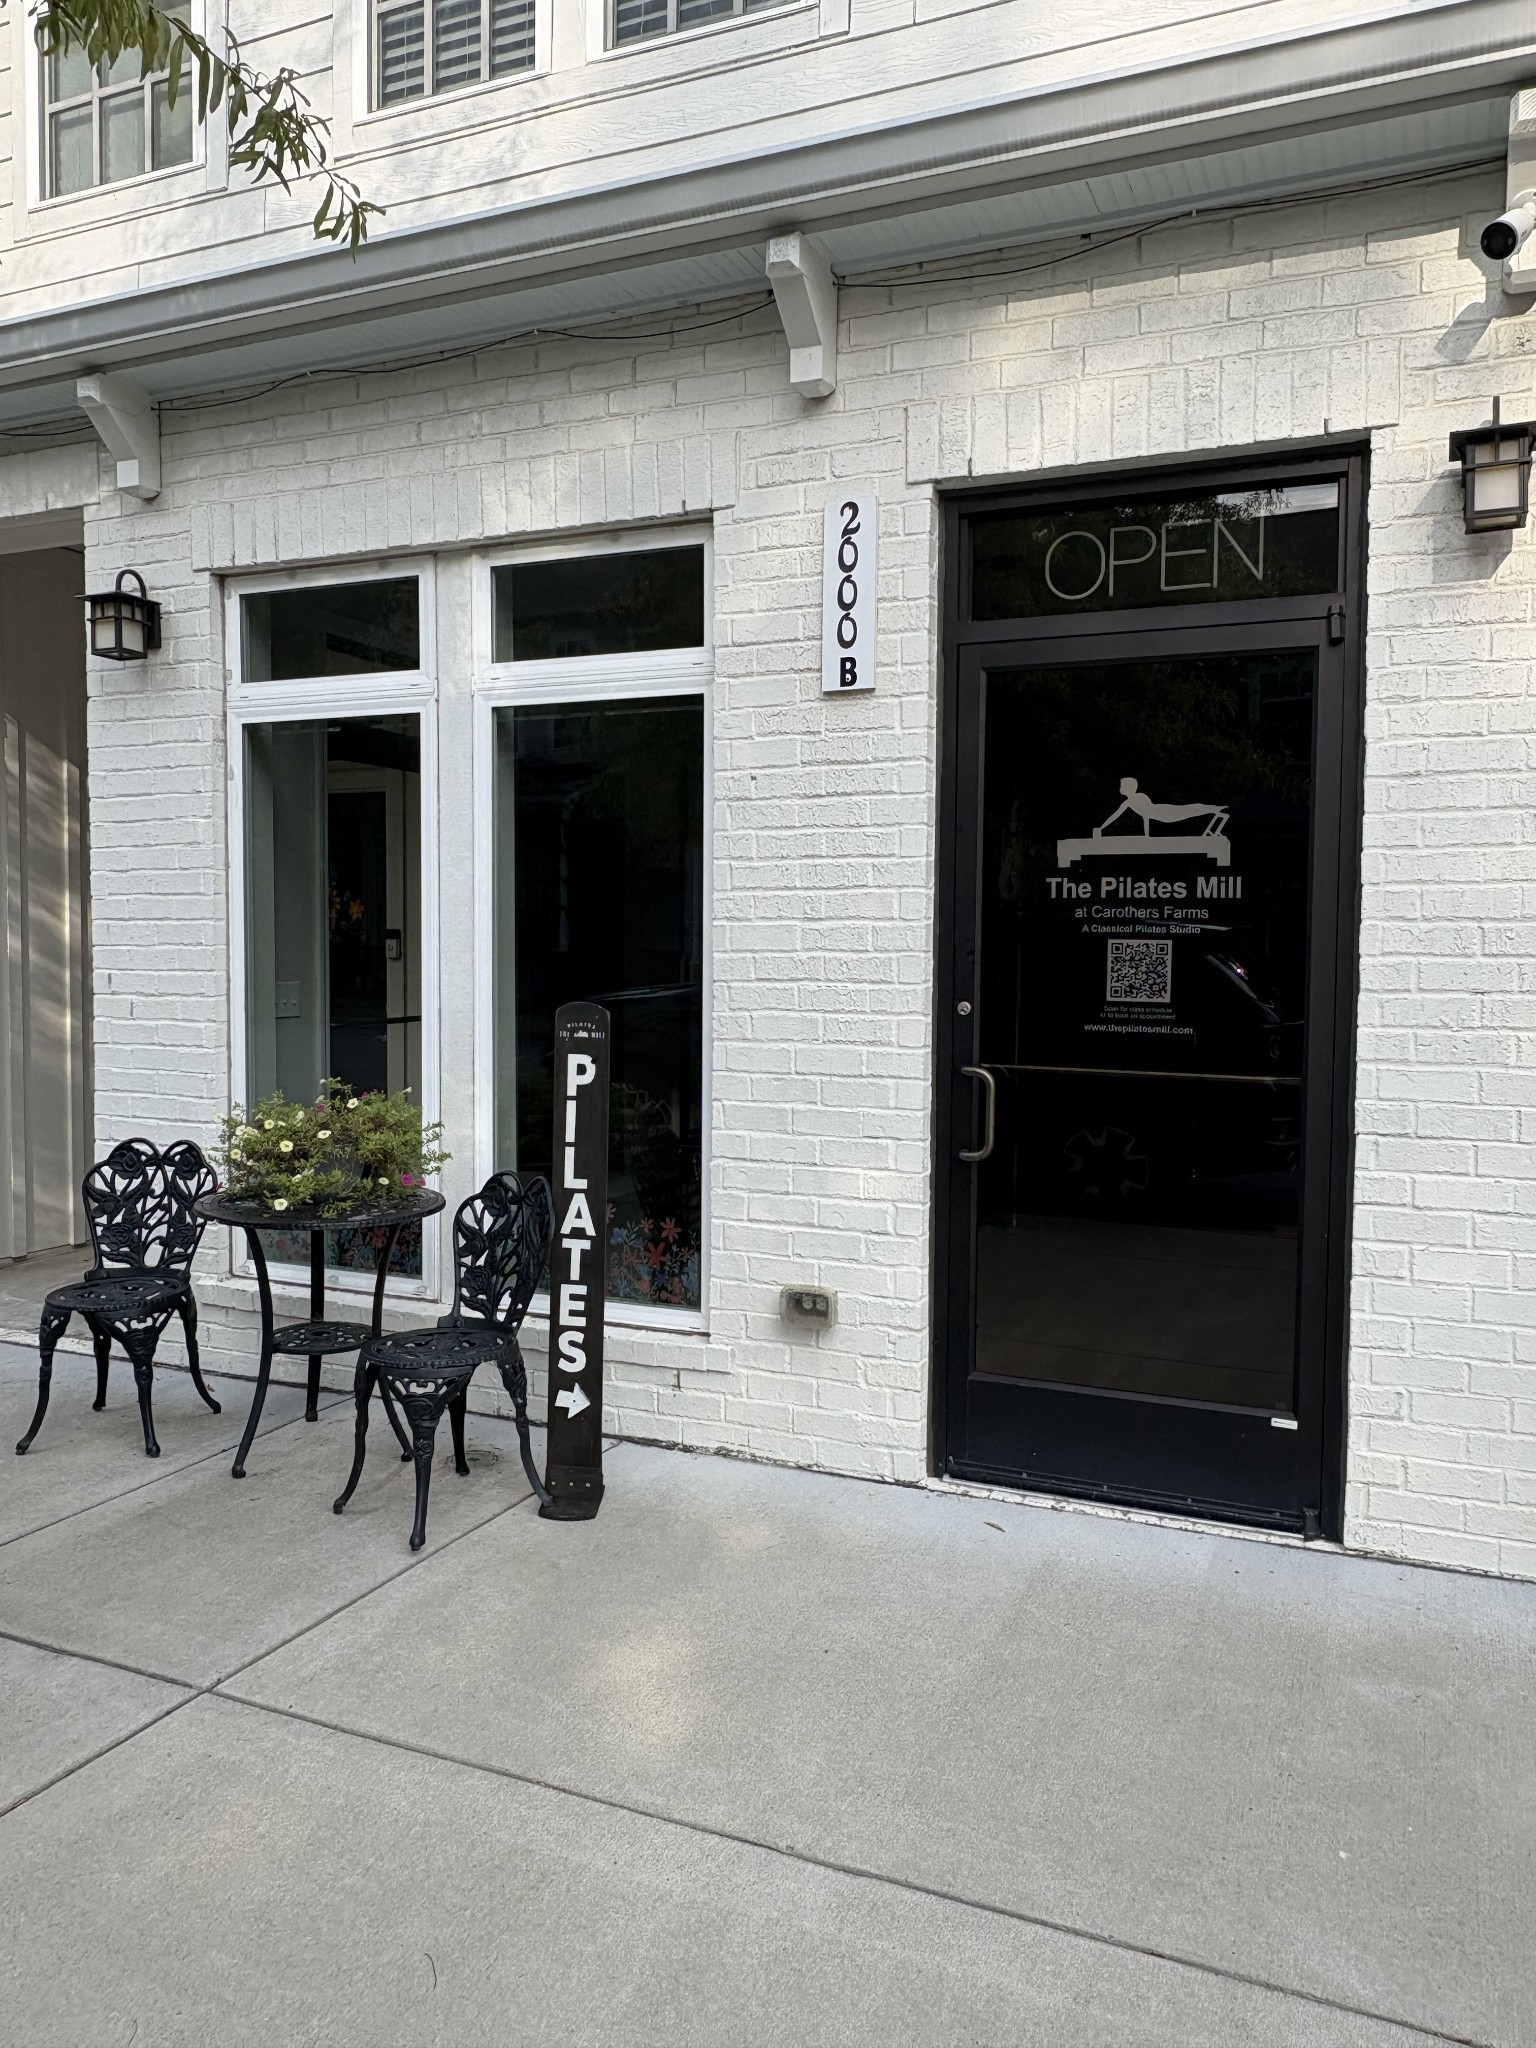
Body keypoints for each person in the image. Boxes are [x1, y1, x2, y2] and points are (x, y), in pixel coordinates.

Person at [1094, 777, 1227, 838]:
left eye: (1121, 786)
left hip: (1164, 812)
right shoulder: (1128, 803)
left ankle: (1214, 809)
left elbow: (1146, 815)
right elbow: (1115, 816)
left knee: (1189, 809)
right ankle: (1214, 809)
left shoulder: (1139, 797)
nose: (1119, 788)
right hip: (1161, 814)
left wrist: (1147, 836)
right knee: (1189, 810)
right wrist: (1101, 828)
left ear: (1128, 788)